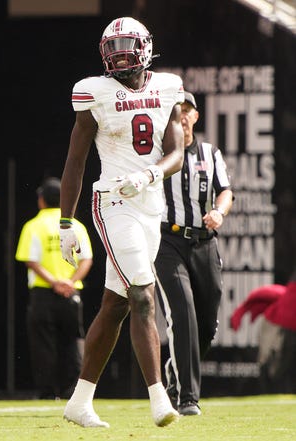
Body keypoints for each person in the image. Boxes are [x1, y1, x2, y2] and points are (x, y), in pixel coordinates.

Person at [59, 17, 184, 428]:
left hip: (150, 204)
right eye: (112, 46)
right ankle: (159, 400)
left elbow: (176, 153)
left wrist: (148, 175)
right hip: (112, 203)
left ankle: (79, 402)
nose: (119, 53)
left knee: (114, 305)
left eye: (127, 44)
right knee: (144, 297)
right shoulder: (94, 92)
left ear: (146, 45)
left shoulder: (168, 87)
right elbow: (76, 161)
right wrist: (66, 223)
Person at [153, 91, 233, 416]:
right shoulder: (159, 154)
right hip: (168, 242)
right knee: (182, 313)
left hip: (205, 242)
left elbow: (225, 190)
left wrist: (219, 212)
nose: (182, 116)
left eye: (187, 110)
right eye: (177, 111)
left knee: (207, 324)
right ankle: (187, 398)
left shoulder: (209, 153)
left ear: (195, 116)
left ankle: (175, 370)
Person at [16, 177, 93, 400]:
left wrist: (53, 282)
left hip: (43, 293)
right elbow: (86, 259)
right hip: (71, 293)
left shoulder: (33, 226)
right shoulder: (76, 226)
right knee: (72, 342)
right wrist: (69, 282)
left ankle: (47, 392)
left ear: (41, 200)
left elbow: (30, 260)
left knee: (43, 346)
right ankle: (73, 391)